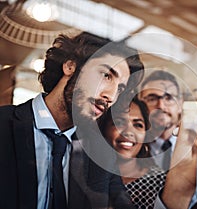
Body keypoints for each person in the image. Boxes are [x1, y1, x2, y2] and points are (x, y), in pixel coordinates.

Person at [0, 32, 144, 209]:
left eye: (120, 88)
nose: (111, 96)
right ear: (70, 66)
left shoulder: (100, 154)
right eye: (106, 75)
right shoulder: (4, 124)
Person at [100, 96, 166, 209]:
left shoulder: (161, 183)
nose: (129, 132)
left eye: (138, 125)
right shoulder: (83, 174)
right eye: (119, 123)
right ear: (103, 129)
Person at [139, 70, 183, 171]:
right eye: (152, 98)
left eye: (169, 98)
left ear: (180, 104)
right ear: (140, 104)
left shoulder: (194, 148)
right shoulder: (130, 148)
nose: (161, 106)